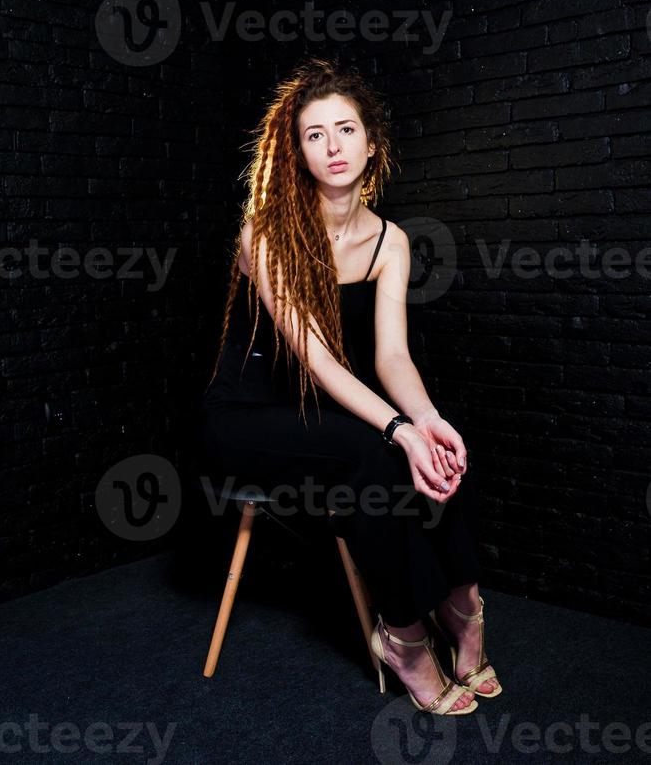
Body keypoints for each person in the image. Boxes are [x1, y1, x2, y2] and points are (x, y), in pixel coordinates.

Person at [197, 56, 502, 716]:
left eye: (345, 129)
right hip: (249, 417)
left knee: (439, 444)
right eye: (314, 134)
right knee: (379, 450)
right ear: (298, 151)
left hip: (323, 415)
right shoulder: (266, 234)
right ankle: (405, 637)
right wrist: (396, 429)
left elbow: (392, 357)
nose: (332, 147)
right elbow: (316, 362)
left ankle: (463, 607)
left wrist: (427, 421)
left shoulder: (389, 239)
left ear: (372, 141)